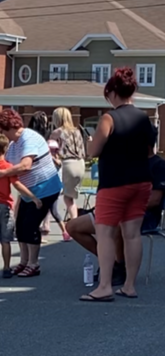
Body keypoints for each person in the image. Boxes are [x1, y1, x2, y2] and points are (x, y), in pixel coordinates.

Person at [79, 68, 155, 302]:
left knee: (105, 234)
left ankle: (104, 286)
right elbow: (150, 152)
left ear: (112, 92)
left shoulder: (108, 118)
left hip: (114, 183)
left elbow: (94, 151)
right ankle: (130, 286)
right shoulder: (144, 118)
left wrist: (91, 141)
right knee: (132, 235)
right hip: (141, 182)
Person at [67, 143, 165, 287]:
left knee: (119, 222)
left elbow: (154, 200)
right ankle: (110, 262)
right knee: (72, 226)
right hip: (114, 210)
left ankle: (120, 267)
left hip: (144, 215)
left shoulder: (159, 165)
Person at [0, 109, 63, 278]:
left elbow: (25, 165)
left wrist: (2, 174)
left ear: (8, 127)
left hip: (45, 188)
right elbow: (5, 163)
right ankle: (24, 261)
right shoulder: (13, 145)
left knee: (30, 226)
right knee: (20, 227)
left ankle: (34, 264)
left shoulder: (29, 138)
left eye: (0, 131)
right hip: (29, 191)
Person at [0, 135, 41, 279]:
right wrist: (33, 197)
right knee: (6, 240)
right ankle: (6, 268)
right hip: (5, 204)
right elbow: (17, 185)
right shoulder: (7, 167)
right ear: (5, 149)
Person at [28, 111, 69, 243]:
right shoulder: (39, 137)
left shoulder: (48, 136)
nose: (47, 123)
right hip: (41, 175)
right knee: (42, 205)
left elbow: (58, 157)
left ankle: (55, 230)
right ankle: (37, 231)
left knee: (48, 204)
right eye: (45, 120)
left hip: (49, 175)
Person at [51, 107, 86, 224]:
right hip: (80, 164)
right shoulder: (77, 131)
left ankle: (74, 222)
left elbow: (50, 150)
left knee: (65, 197)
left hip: (67, 164)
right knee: (71, 196)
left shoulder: (57, 132)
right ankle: (74, 220)